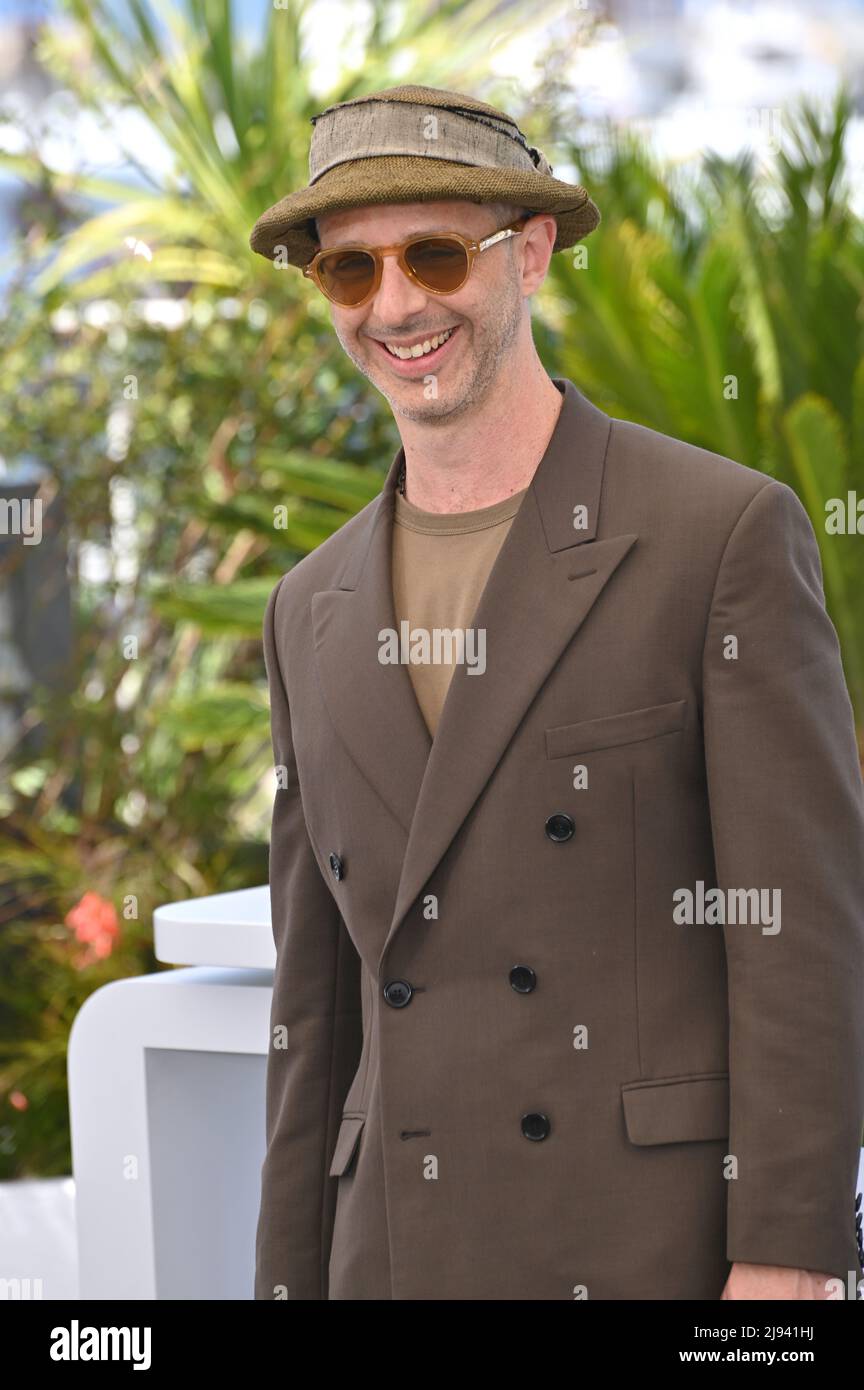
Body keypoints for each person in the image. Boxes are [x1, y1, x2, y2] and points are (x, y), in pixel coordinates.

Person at [248, 84, 864, 1301]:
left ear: (528, 255)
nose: (397, 305)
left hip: (650, 1247)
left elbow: (796, 934)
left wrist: (789, 1256)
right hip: (398, 1256)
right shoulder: (304, 610)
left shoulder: (717, 535)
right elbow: (312, 1012)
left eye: (434, 253)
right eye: (350, 273)